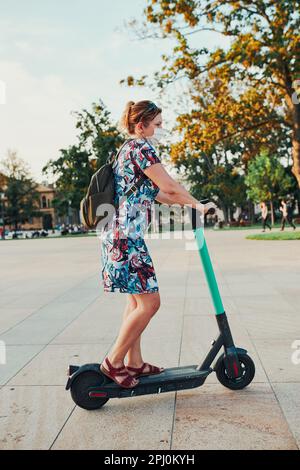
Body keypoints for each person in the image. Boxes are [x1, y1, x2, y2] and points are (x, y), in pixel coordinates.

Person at [99, 100, 213, 389]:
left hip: (119, 235)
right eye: (158, 125)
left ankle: (134, 363)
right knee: (151, 303)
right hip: (126, 238)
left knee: (136, 301)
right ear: (141, 125)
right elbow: (172, 187)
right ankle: (113, 361)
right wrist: (200, 205)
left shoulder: (125, 150)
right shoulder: (141, 148)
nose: (161, 130)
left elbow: (161, 194)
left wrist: (188, 204)